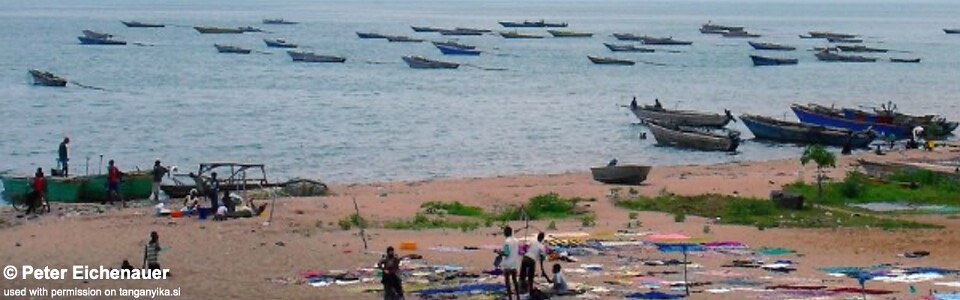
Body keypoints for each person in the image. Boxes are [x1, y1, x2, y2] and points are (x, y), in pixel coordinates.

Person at [500, 226, 521, 300]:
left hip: (507, 264)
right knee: (515, 281)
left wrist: (499, 252)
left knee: (507, 282)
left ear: (506, 232)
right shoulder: (516, 240)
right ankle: (518, 296)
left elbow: (506, 253)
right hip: (514, 263)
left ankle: (510, 297)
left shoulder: (507, 241)